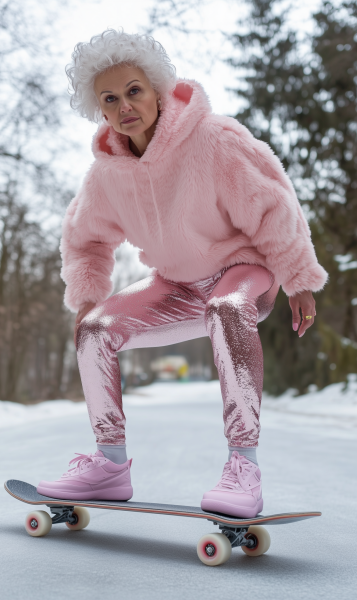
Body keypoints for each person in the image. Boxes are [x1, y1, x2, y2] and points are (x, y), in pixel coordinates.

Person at [37, 30, 328, 518]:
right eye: (110, 99)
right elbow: (84, 238)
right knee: (92, 331)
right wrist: (89, 298)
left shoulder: (213, 139)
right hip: (174, 284)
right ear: (100, 111)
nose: (125, 105)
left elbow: (273, 203)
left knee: (226, 307)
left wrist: (297, 276)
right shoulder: (107, 174)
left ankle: (244, 465)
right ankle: (109, 465)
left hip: (243, 272)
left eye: (134, 90)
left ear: (155, 89)